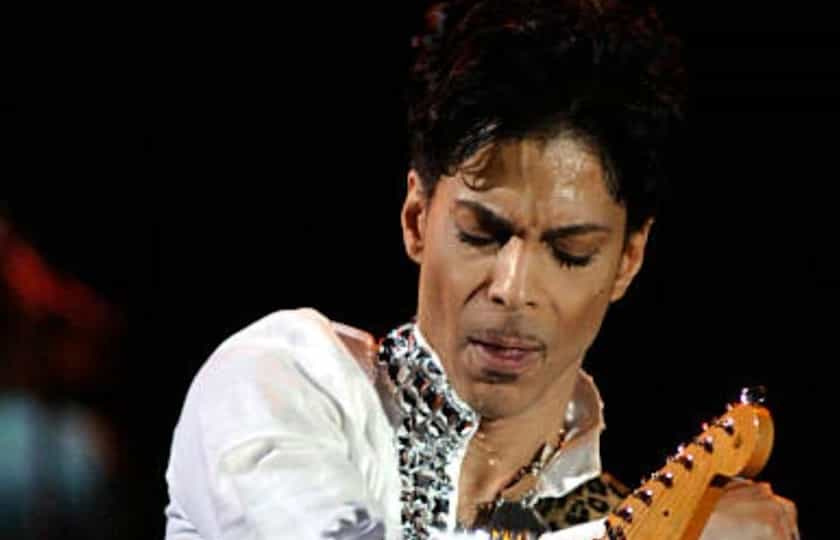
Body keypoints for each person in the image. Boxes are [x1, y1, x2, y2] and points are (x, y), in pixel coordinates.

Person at [164, 1, 799, 538]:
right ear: (416, 218)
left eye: (570, 252)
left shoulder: (607, 512)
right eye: (481, 234)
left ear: (627, 260)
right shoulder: (283, 380)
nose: (513, 290)